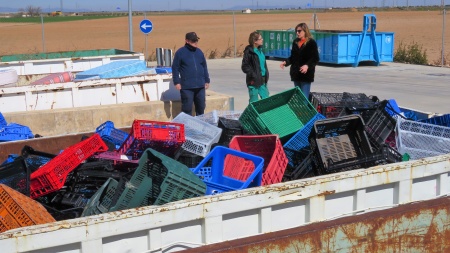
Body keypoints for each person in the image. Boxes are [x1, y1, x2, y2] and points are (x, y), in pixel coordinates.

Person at [172, 32, 210, 116]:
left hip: (200, 86)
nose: (195, 42)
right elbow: (175, 68)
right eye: (193, 41)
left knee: (201, 107)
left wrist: (207, 80)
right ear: (187, 41)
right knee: (187, 109)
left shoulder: (199, 52)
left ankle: (200, 127)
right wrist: (176, 82)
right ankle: (187, 127)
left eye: (196, 40)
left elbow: (204, 66)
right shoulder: (180, 52)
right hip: (187, 87)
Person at [279, 23, 319, 100]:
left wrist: (307, 66)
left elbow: (315, 58)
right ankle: (299, 112)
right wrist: (286, 62)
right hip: (296, 74)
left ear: (305, 31)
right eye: (296, 31)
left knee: (304, 99)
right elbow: (293, 57)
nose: (297, 33)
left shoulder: (311, 43)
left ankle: (305, 112)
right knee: (298, 99)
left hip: (306, 75)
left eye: (299, 31)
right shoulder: (295, 42)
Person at [241, 31, 270, 103]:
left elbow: (263, 65)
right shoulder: (249, 52)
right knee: (254, 102)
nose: (262, 40)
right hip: (253, 82)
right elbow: (244, 66)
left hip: (262, 80)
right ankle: (252, 114)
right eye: (260, 39)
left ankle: (263, 114)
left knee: (266, 101)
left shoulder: (260, 51)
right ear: (255, 41)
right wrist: (253, 75)